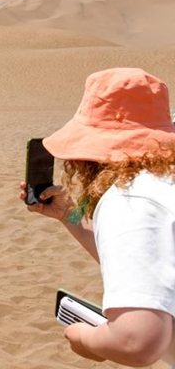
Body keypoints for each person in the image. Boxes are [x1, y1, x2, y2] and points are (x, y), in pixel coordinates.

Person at [19, 67, 175, 366]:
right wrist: (69, 215)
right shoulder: (163, 185)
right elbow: (152, 266)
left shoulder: (133, 198)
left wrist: (84, 338)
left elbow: (136, 341)